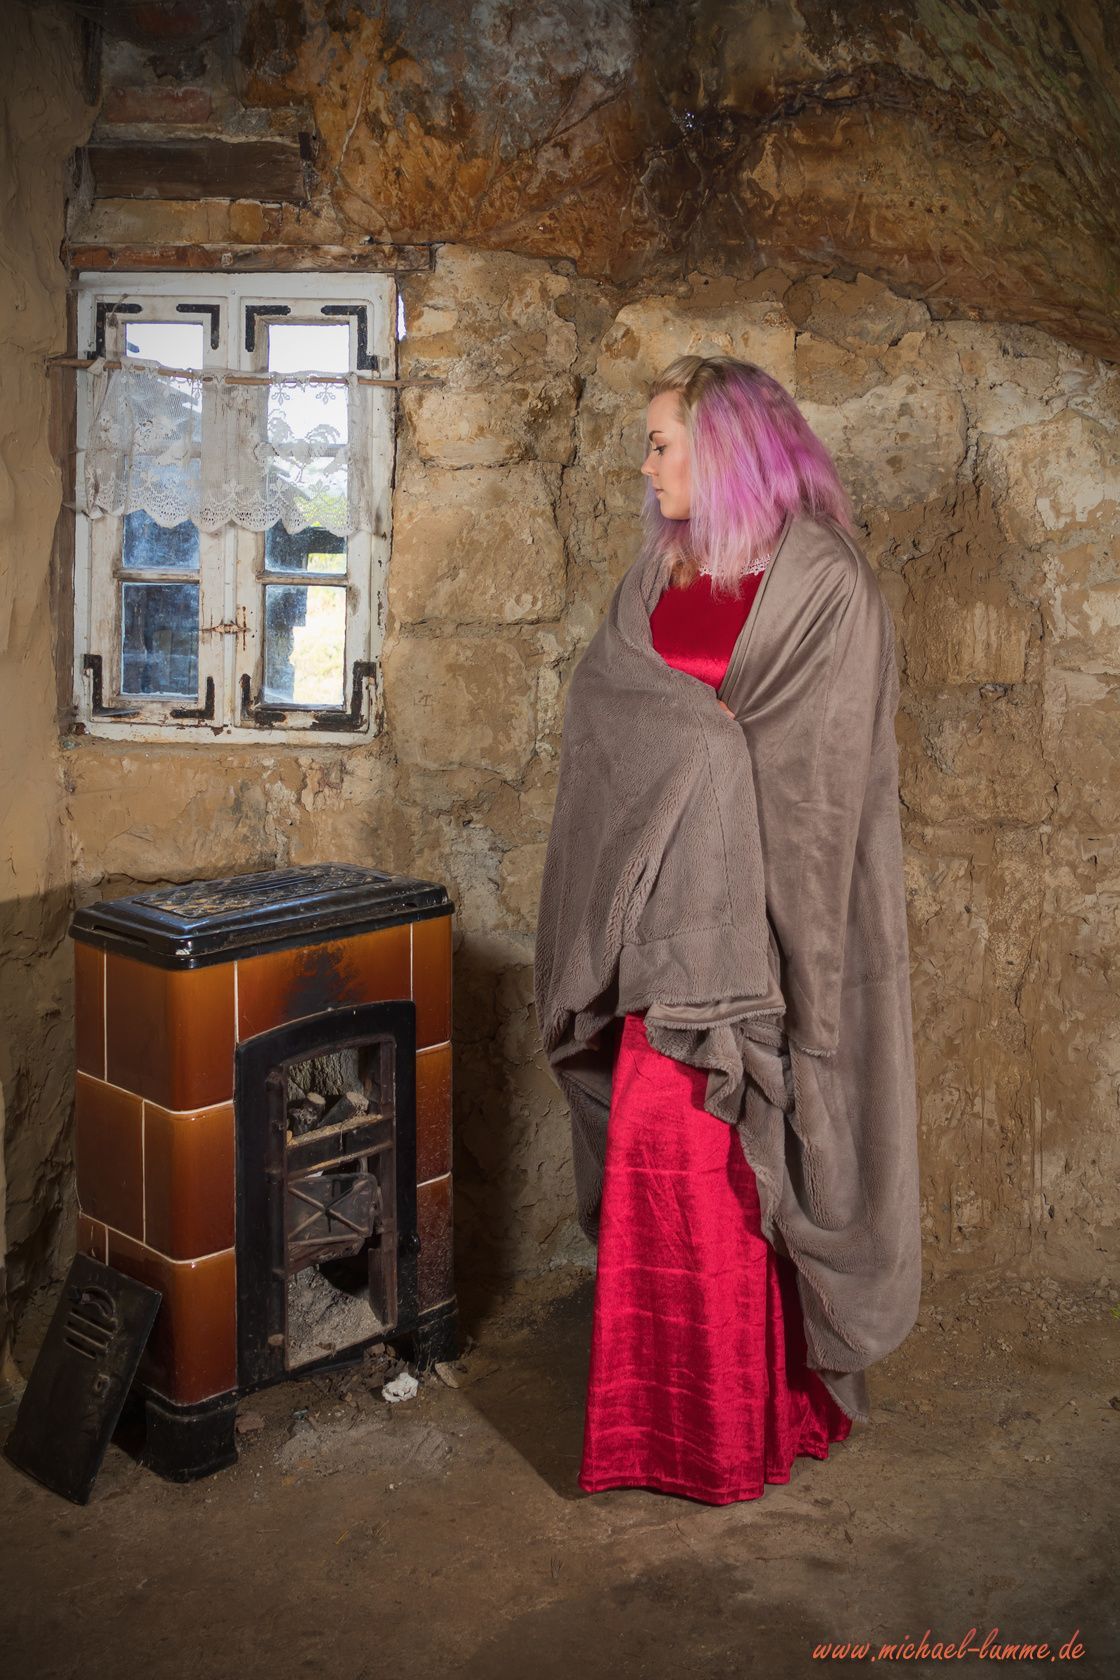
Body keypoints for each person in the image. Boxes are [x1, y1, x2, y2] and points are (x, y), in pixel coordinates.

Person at [576, 355, 866, 1504]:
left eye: (661, 443)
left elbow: (828, 767)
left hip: (761, 933)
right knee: (659, 1163)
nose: (645, 466)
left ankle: (740, 1429)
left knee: (737, 1170)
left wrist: (708, 752)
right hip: (664, 931)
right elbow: (604, 714)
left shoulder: (817, 581)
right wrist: (697, 749)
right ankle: (650, 1429)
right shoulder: (660, 572)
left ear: (725, 449)